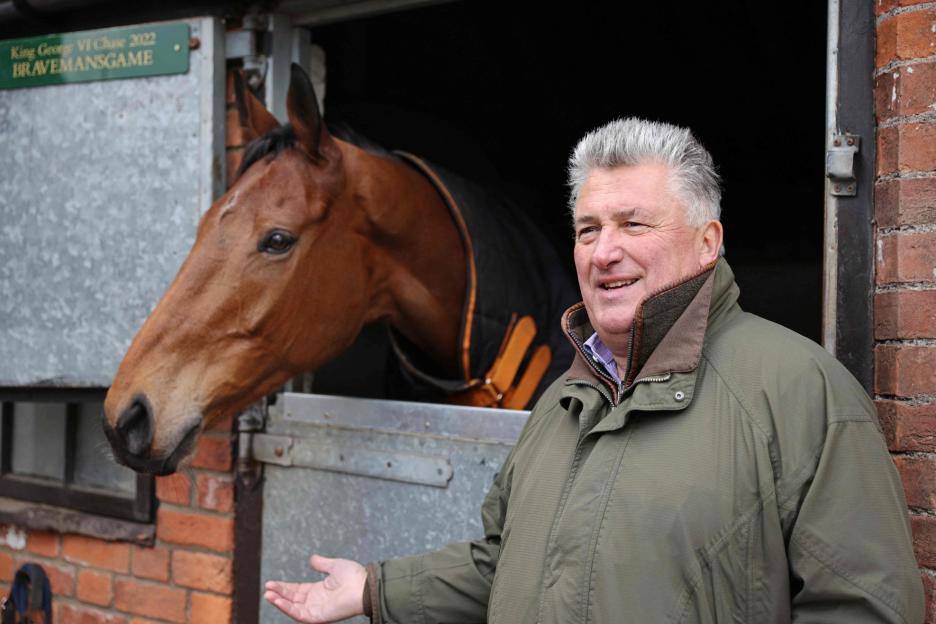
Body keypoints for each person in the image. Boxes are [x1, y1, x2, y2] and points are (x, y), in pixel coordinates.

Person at [264, 118, 925, 623]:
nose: (604, 251)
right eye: (587, 230)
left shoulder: (799, 391)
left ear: (707, 241)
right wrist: (374, 590)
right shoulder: (564, 401)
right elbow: (505, 564)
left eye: (633, 224)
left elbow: (864, 606)